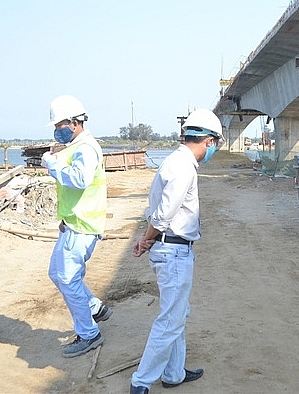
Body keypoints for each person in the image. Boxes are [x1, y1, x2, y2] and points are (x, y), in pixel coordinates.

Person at [130, 108, 224, 394]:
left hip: (170, 248)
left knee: (177, 313)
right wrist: (146, 239)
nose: (214, 150)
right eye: (215, 144)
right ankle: (141, 382)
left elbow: (157, 210)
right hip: (173, 251)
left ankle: (173, 373)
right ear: (208, 140)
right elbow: (163, 214)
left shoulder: (174, 161)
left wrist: (146, 239)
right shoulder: (183, 167)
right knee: (171, 319)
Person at [40, 95, 111, 358]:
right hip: (73, 223)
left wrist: (52, 164)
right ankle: (94, 307)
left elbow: (79, 180)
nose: (58, 130)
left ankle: (89, 334)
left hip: (82, 227)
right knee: (57, 274)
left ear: (74, 122)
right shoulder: (76, 146)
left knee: (68, 279)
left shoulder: (86, 149)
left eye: (60, 125)